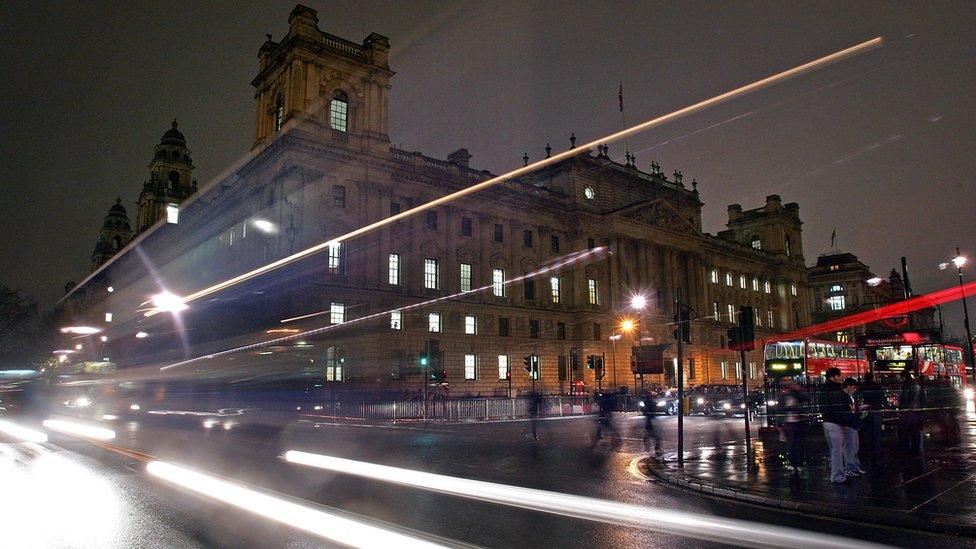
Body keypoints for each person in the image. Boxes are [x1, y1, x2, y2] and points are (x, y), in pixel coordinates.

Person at [821, 368, 864, 483]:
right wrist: (850, 421)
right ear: (833, 377)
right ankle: (837, 476)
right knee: (837, 450)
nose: (841, 378)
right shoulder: (835, 392)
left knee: (837, 450)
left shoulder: (830, 390)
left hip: (833, 422)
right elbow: (840, 410)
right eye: (839, 375)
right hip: (835, 423)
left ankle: (839, 475)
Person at [779, 377, 808, 472]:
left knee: (799, 443)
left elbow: (805, 399)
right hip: (789, 422)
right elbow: (780, 409)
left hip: (798, 420)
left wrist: (798, 391)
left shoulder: (796, 392)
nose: (787, 382)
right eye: (785, 380)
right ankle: (793, 463)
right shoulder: (783, 395)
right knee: (791, 444)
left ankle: (799, 463)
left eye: (788, 380)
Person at [859, 372, 886, 464]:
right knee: (877, 432)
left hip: (866, 411)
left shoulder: (862, 387)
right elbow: (883, 398)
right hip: (876, 410)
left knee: (867, 431)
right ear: (873, 377)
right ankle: (877, 451)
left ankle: (869, 451)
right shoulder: (878, 386)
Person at [898, 370, 925, 454]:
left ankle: (906, 448)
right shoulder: (917, 384)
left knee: (904, 430)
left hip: (908, 411)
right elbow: (922, 398)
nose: (901, 379)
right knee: (916, 430)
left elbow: (904, 398)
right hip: (917, 410)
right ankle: (917, 448)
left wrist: (901, 409)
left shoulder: (906, 385)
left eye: (901, 377)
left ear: (904, 377)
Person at [640, 390, 663, 459]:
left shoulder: (646, 401)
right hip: (650, 421)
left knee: (650, 434)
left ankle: (650, 446)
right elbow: (653, 408)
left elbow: (645, 409)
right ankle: (656, 448)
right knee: (654, 435)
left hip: (649, 421)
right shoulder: (650, 401)